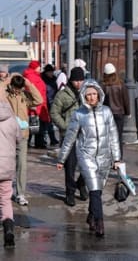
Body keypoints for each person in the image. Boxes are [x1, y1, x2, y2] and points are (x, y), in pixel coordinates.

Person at [56, 79, 121, 237]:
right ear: (84, 96)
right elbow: (70, 138)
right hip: (86, 155)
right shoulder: (79, 114)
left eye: (94, 94)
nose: (92, 97)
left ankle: (91, 215)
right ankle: (99, 222)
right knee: (94, 188)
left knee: (97, 190)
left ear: (99, 94)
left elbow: (113, 135)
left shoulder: (106, 112)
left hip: (104, 156)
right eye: (88, 94)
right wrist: (61, 159)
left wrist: (117, 158)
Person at [50, 67, 87, 206]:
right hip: (69, 136)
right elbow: (54, 113)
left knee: (88, 165)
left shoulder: (86, 93)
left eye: (81, 80)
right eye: (76, 80)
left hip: (84, 135)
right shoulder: (63, 95)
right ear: (71, 80)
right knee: (70, 166)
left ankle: (81, 184)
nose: (79, 83)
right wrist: (65, 126)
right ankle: (70, 192)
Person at [6, 74, 43, 206]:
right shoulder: (5, 94)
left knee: (22, 164)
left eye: (19, 89)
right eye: (15, 88)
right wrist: (6, 81)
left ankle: (20, 193)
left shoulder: (24, 95)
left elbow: (39, 100)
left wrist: (28, 84)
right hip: (6, 135)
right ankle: (6, 191)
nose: (17, 91)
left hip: (22, 135)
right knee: (7, 164)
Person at [0, 98, 21, 248]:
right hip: (6, 166)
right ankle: (8, 229)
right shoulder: (12, 119)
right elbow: (19, 139)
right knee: (5, 199)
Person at [101, 63, 130, 160]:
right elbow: (125, 100)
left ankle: (109, 158)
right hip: (119, 114)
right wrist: (128, 112)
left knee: (108, 137)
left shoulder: (103, 86)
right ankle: (118, 158)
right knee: (118, 137)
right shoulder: (121, 85)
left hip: (107, 115)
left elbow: (101, 102)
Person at [23, 60, 49, 148]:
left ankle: (32, 143)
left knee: (34, 125)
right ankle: (38, 144)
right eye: (39, 67)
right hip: (36, 105)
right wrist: (34, 105)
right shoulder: (32, 77)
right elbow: (31, 92)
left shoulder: (33, 76)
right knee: (35, 126)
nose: (40, 68)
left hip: (38, 104)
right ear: (35, 67)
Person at [41, 64, 59, 146]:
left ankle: (52, 139)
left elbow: (56, 90)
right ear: (46, 72)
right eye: (50, 72)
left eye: (52, 72)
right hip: (44, 103)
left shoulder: (54, 79)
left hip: (52, 102)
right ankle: (45, 139)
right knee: (45, 122)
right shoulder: (42, 79)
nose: (51, 73)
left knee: (50, 122)